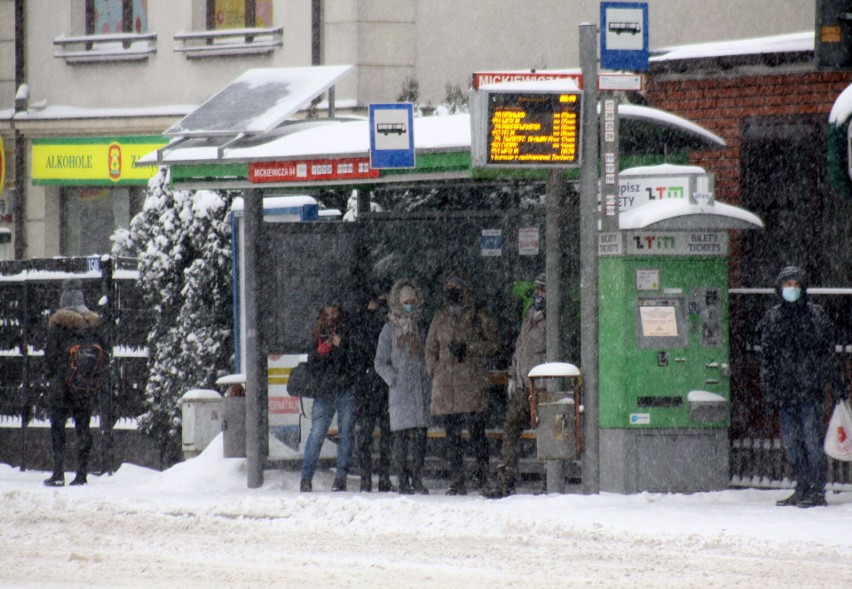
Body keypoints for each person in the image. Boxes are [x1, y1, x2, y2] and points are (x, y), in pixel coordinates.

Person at [759, 266, 849, 508]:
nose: (791, 289)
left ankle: (817, 490)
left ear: (803, 288)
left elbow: (827, 353)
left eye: (795, 285)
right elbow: (767, 357)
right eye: (787, 285)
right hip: (786, 392)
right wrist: (769, 387)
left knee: (811, 441)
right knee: (792, 443)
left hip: (810, 391)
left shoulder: (816, 316)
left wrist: (838, 384)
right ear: (779, 288)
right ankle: (802, 487)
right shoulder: (773, 318)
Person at [425, 271, 499, 495]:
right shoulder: (440, 317)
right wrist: (434, 370)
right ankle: (457, 479)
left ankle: (482, 475)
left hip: (471, 385)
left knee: (477, 433)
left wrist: (469, 348)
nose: (453, 292)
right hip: (446, 387)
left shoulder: (479, 315)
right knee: (452, 437)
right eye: (450, 288)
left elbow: (494, 344)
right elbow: (430, 348)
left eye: (457, 288)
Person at [483, 273, 547, 499]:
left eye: (544, 291)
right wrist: (512, 375)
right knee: (510, 429)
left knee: (546, 432)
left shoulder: (554, 322)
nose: (539, 295)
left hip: (543, 389)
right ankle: (507, 477)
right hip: (522, 387)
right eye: (537, 291)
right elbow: (519, 349)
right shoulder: (529, 317)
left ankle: (549, 479)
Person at [44, 279, 107, 487]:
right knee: (83, 427)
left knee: (58, 428)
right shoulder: (92, 323)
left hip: (61, 384)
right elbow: (103, 352)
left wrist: (54, 374)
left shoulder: (58, 323)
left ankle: (58, 472)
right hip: (84, 384)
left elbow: (50, 357)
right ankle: (82, 473)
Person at [374, 278, 432, 495]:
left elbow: (428, 354)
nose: (410, 304)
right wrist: (394, 379)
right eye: (406, 300)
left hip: (419, 390)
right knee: (400, 438)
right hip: (399, 392)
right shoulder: (389, 329)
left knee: (420, 436)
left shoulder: (420, 327)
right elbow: (379, 362)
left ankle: (417, 477)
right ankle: (402, 480)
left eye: (412, 300)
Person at [300, 304, 357, 493]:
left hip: (344, 388)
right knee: (316, 434)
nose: (331, 317)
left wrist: (342, 346)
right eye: (327, 314)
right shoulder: (318, 333)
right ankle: (306, 478)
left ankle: (340, 478)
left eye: (334, 313)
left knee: (346, 433)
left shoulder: (348, 331)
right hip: (324, 391)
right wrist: (321, 352)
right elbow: (311, 363)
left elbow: (354, 360)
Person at [351, 286, 394, 493]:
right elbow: (360, 348)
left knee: (381, 436)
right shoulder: (364, 320)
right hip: (372, 386)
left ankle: (375, 478)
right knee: (370, 436)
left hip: (377, 385)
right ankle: (369, 478)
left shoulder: (386, 320)